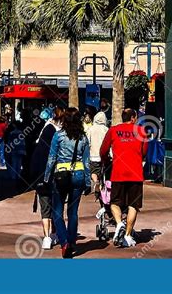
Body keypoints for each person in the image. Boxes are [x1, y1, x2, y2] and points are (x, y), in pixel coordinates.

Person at [44, 107, 91, 258]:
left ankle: (63, 241)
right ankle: (71, 241)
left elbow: (51, 158)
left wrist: (46, 178)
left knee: (57, 211)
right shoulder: (83, 138)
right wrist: (88, 182)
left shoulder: (58, 136)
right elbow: (87, 162)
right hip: (78, 174)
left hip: (60, 175)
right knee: (73, 212)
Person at [100, 107, 148, 248]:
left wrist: (106, 160)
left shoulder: (113, 130)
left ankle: (119, 223)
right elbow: (144, 152)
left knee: (114, 202)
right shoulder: (141, 131)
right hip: (135, 173)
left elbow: (103, 150)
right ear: (133, 118)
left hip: (118, 173)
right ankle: (127, 235)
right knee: (134, 204)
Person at [30, 106, 64, 250]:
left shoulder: (45, 131)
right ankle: (56, 234)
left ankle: (47, 237)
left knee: (45, 208)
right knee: (57, 205)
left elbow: (37, 156)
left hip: (42, 176)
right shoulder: (59, 134)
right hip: (56, 176)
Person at [87, 110, 108, 187]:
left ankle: (96, 182)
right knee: (103, 170)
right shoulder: (106, 129)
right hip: (104, 155)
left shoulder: (90, 129)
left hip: (93, 155)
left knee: (93, 172)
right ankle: (102, 185)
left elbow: (87, 142)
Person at [4, 121, 26, 187]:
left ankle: (13, 176)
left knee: (14, 163)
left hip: (13, 150)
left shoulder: (12, 133)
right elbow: (23, 142)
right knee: (19, 164)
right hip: (21, 149)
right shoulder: (22, 133)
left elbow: (9, 142)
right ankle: (18, 175)